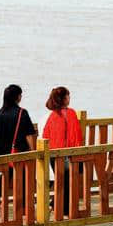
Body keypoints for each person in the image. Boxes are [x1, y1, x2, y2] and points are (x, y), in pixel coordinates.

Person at [0, 84, 36, 206]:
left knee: (5, 177)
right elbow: (29, 133)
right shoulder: (22, 113)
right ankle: (23, 205)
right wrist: (33, 151)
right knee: (23, 177)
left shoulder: (1, 112)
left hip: (2, 151)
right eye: (20, 94)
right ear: (17, 97)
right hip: (18, 151)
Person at [42, 86, 83, 217]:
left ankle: (55, 205)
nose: (69, 98)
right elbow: (76, 135)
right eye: (68, 96)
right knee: (68, 181)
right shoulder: (70, 113)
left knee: (61, 180)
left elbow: (45, 134)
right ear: (64, 98)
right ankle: (63, 209)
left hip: (53, 154)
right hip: (67, 154)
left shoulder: (52, 115)